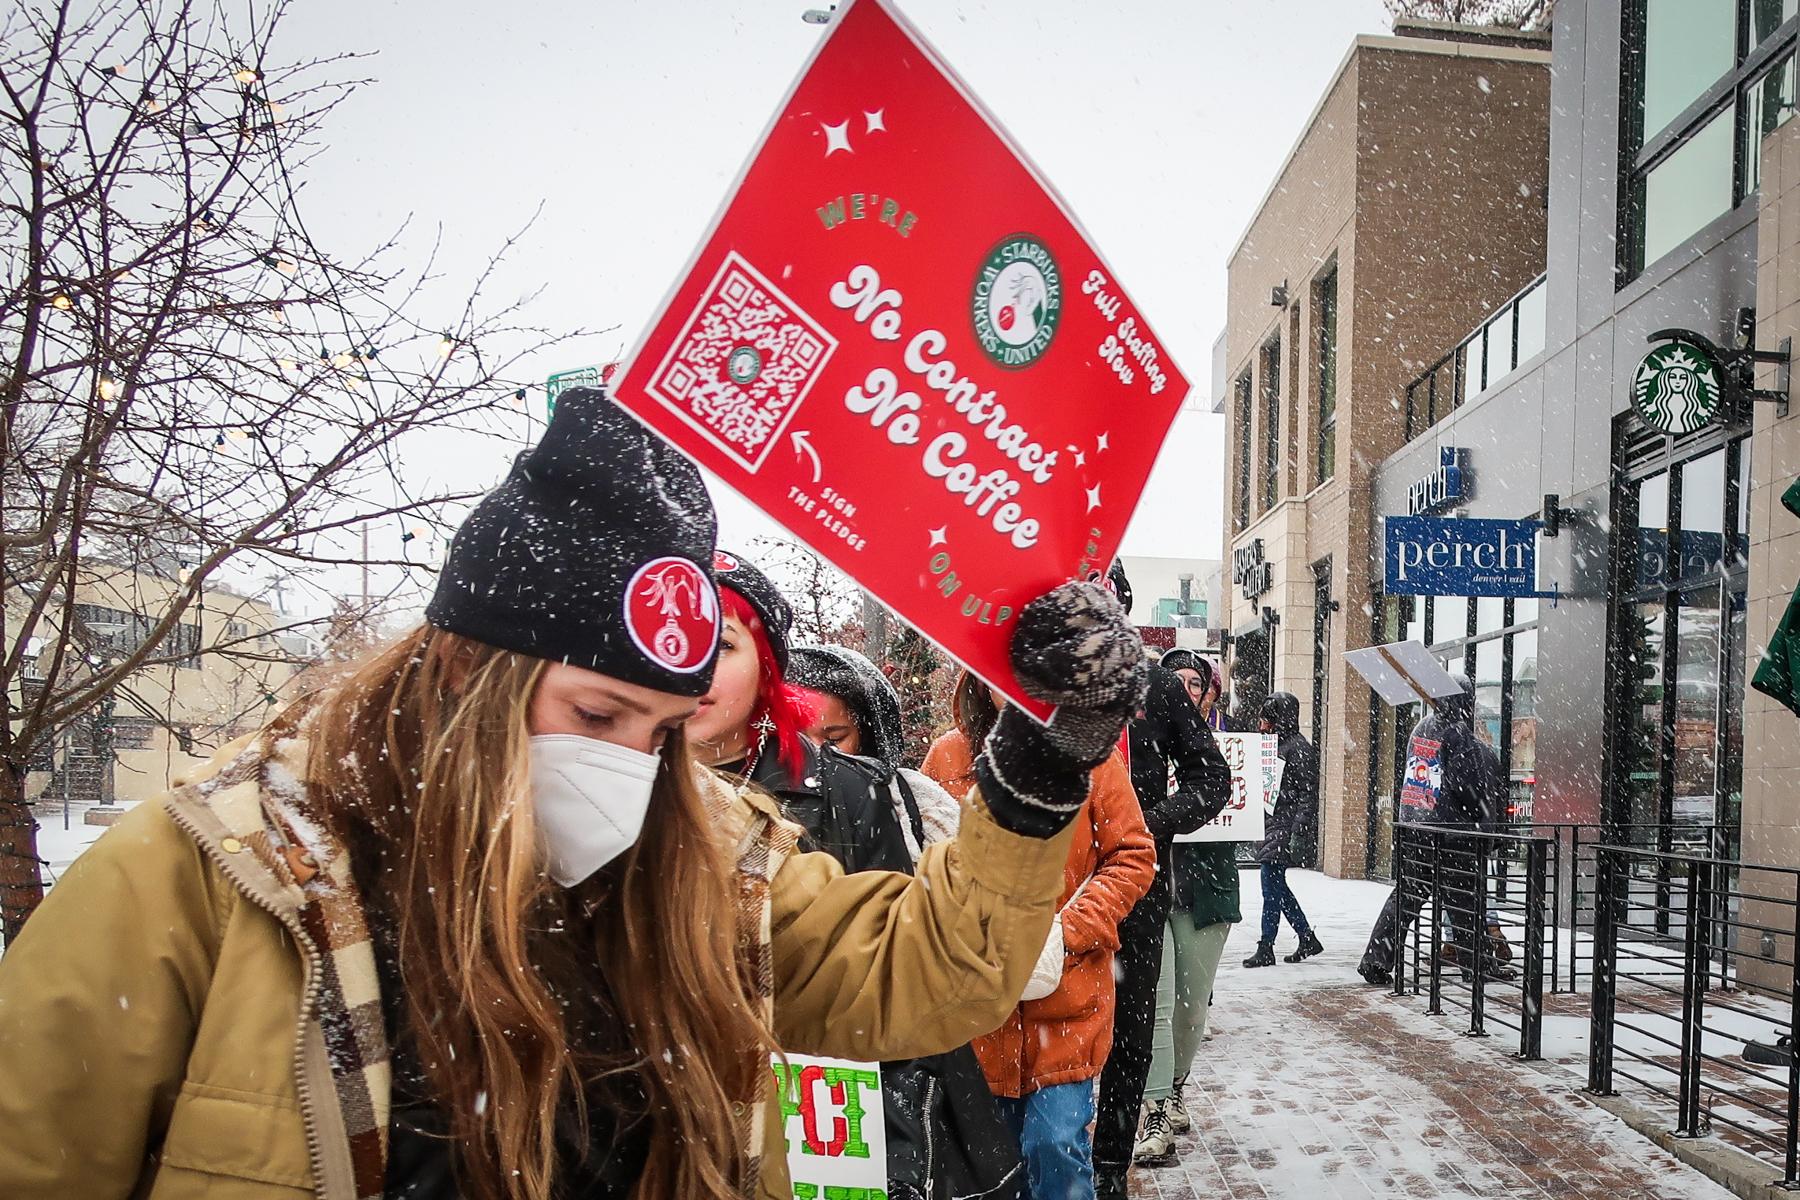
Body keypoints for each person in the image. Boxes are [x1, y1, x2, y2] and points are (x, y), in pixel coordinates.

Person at [0, 389, 1149, 1200]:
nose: (629, 771)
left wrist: (1041, 767)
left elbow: (936, 970)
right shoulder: (206, 880)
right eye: (596, 717)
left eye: (662, 731)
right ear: (463, 671)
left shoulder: (705, 858)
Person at [699, 563, 1021, 1200]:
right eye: (677, 635)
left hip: (836, 1114)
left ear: (766, 667)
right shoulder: (621, 790)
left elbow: (903, 962)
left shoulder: (857, 789)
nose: (696, 664)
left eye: (726, 642)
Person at [923, 672, 1157, 1200]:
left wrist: (1069, 931)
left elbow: (1132, 854)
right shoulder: (949, 759)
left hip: (1068, 1000)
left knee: (1054, 1145)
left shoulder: (1091, 757)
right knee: (994, 1165)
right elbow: (926, 858)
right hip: (979, 1009)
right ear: (979, 681)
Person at [1092, 573, 1232, 1198]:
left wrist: (1148, 824)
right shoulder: (1032, 682)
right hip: (1050, 885)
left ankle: (1108, 1168)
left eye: (1102, 596)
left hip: (1137, 884)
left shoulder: (1156, 689)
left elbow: (1212, 780)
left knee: (1131, 1026)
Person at [1135, 651, 1241, 1168]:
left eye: (1195, 681)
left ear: (1210, 692)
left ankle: (1174, 1086)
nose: (1184, 687)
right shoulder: (1139, 736)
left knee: (1190, 1007)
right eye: (1176, 679)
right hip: (1149, 886)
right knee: (1155, 998)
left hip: (1204, 890)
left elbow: (1221, 790)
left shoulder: (1224, 745)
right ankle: (1154, 1106)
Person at [1358, 675, 1507, 986]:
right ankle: (1478, 966)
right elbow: (1467, 785)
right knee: (1466, 902)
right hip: (1449, 833)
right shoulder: (1458, 732)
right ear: (1466, 700)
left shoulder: (1422, 728)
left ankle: (1376, 960)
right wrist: (1482, 816)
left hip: (1415, 828)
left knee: (1406, 898)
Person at [788, 641, 960, 849]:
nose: (815, 753)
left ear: (868, 734)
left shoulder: (920, 803)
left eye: (834, 741)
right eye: (796, 739)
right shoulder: (751, 803)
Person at [1243, 692, 1324, 969]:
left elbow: (1307, 794)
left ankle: (1266, 946)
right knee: (1277, 887)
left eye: (1267, 718)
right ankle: (1306, 937)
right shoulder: (1276, 745)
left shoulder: (1298, 749)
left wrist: (1298, 832)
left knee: (1270, 886)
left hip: (1284, 828)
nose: (1262, 724)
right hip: (1274, 825)